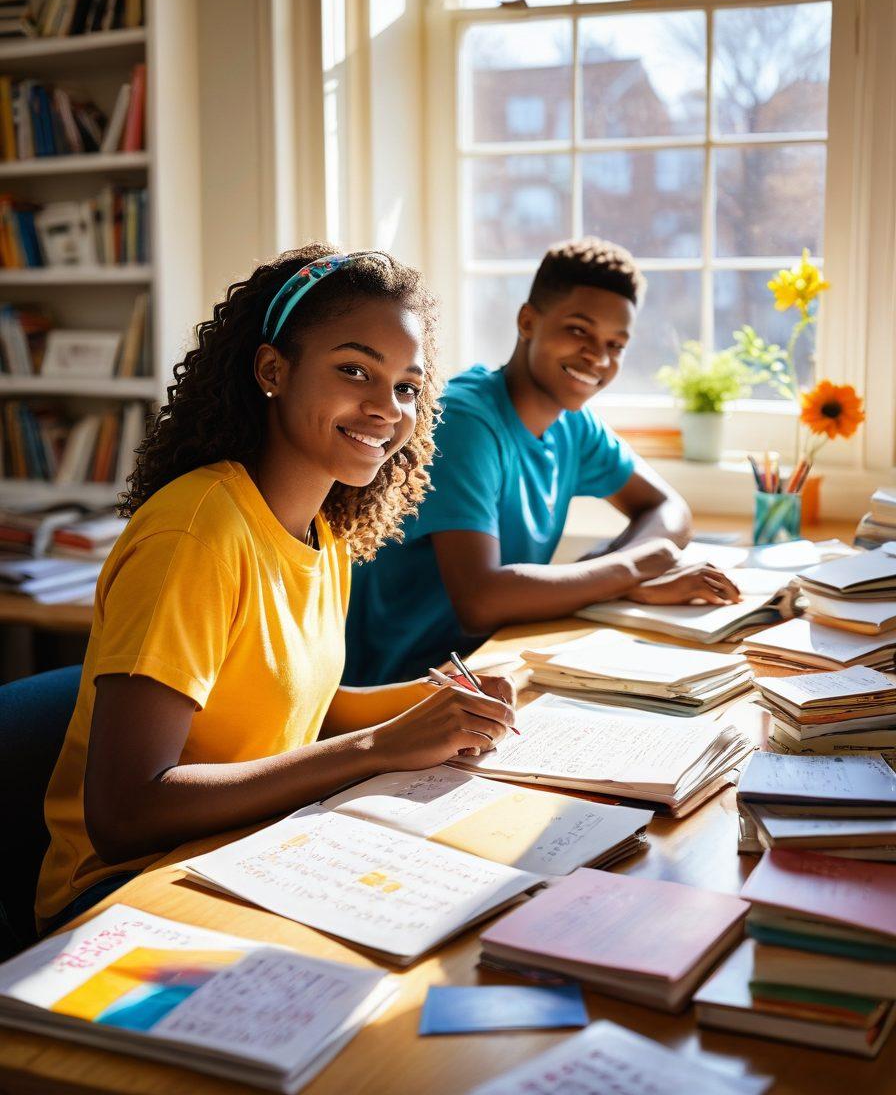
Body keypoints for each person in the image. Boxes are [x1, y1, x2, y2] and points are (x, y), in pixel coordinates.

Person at [36, 244, 515, 932]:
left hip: (256, 854)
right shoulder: (195, 536)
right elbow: (124, 814)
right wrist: (378, 750)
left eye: (407, 387)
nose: (388, 408)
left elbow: (304, 707)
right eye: (355, 370)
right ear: (272, 370)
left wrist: (441, 703)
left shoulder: (323, 530)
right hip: (127, 898)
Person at [344, 237, 740, 685]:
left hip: (489, 667)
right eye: (578, 330)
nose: (598, 356)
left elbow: (670, 510)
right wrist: (629, 573)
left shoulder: (574, 424)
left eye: (616, 344)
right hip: (399, 688)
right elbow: (481, 603)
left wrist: (621, 574)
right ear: (528, 321)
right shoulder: (466, 421)